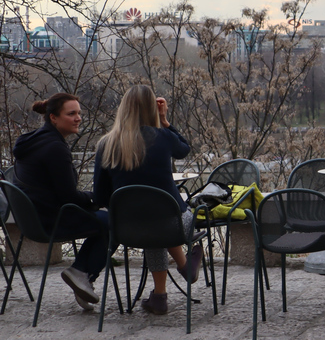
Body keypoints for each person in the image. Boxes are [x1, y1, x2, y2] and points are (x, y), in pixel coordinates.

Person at [92, 85, 202, 315]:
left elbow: (100, 196)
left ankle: (159, 298)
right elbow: (184, 149)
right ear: (152, 108)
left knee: (153, 224)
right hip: (173, 225)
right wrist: (164, 120)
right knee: (164, 219)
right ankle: (185, 265)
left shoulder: (106, 144)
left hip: (126, 228)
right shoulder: (163, 137)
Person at [12, 93, 109, 310]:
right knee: (114, 222)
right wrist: (98, 197)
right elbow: (69, 197)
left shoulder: (32, 140)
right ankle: (82, 274)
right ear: (53, 118)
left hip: (33, 219)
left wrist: (92, 199)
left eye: (79, 113)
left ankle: (82, 277)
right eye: (71, 113)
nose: (78, 118)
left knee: (105, 216)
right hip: (52, 219)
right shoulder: (55, 148)